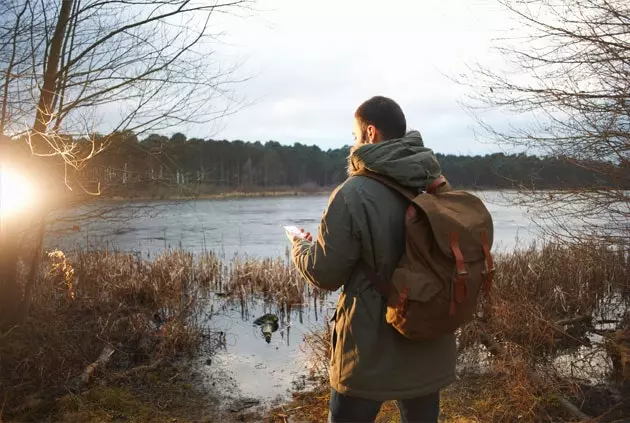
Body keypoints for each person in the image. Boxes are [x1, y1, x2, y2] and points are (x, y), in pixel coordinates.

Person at [290, 96, 456, 423]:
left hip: (367, 352)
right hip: (428, 339)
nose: (352, 143)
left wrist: (299, 246)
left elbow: (324, 273)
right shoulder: (434, 185)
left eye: (354, 136)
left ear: (370, 133)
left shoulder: (353, 194)